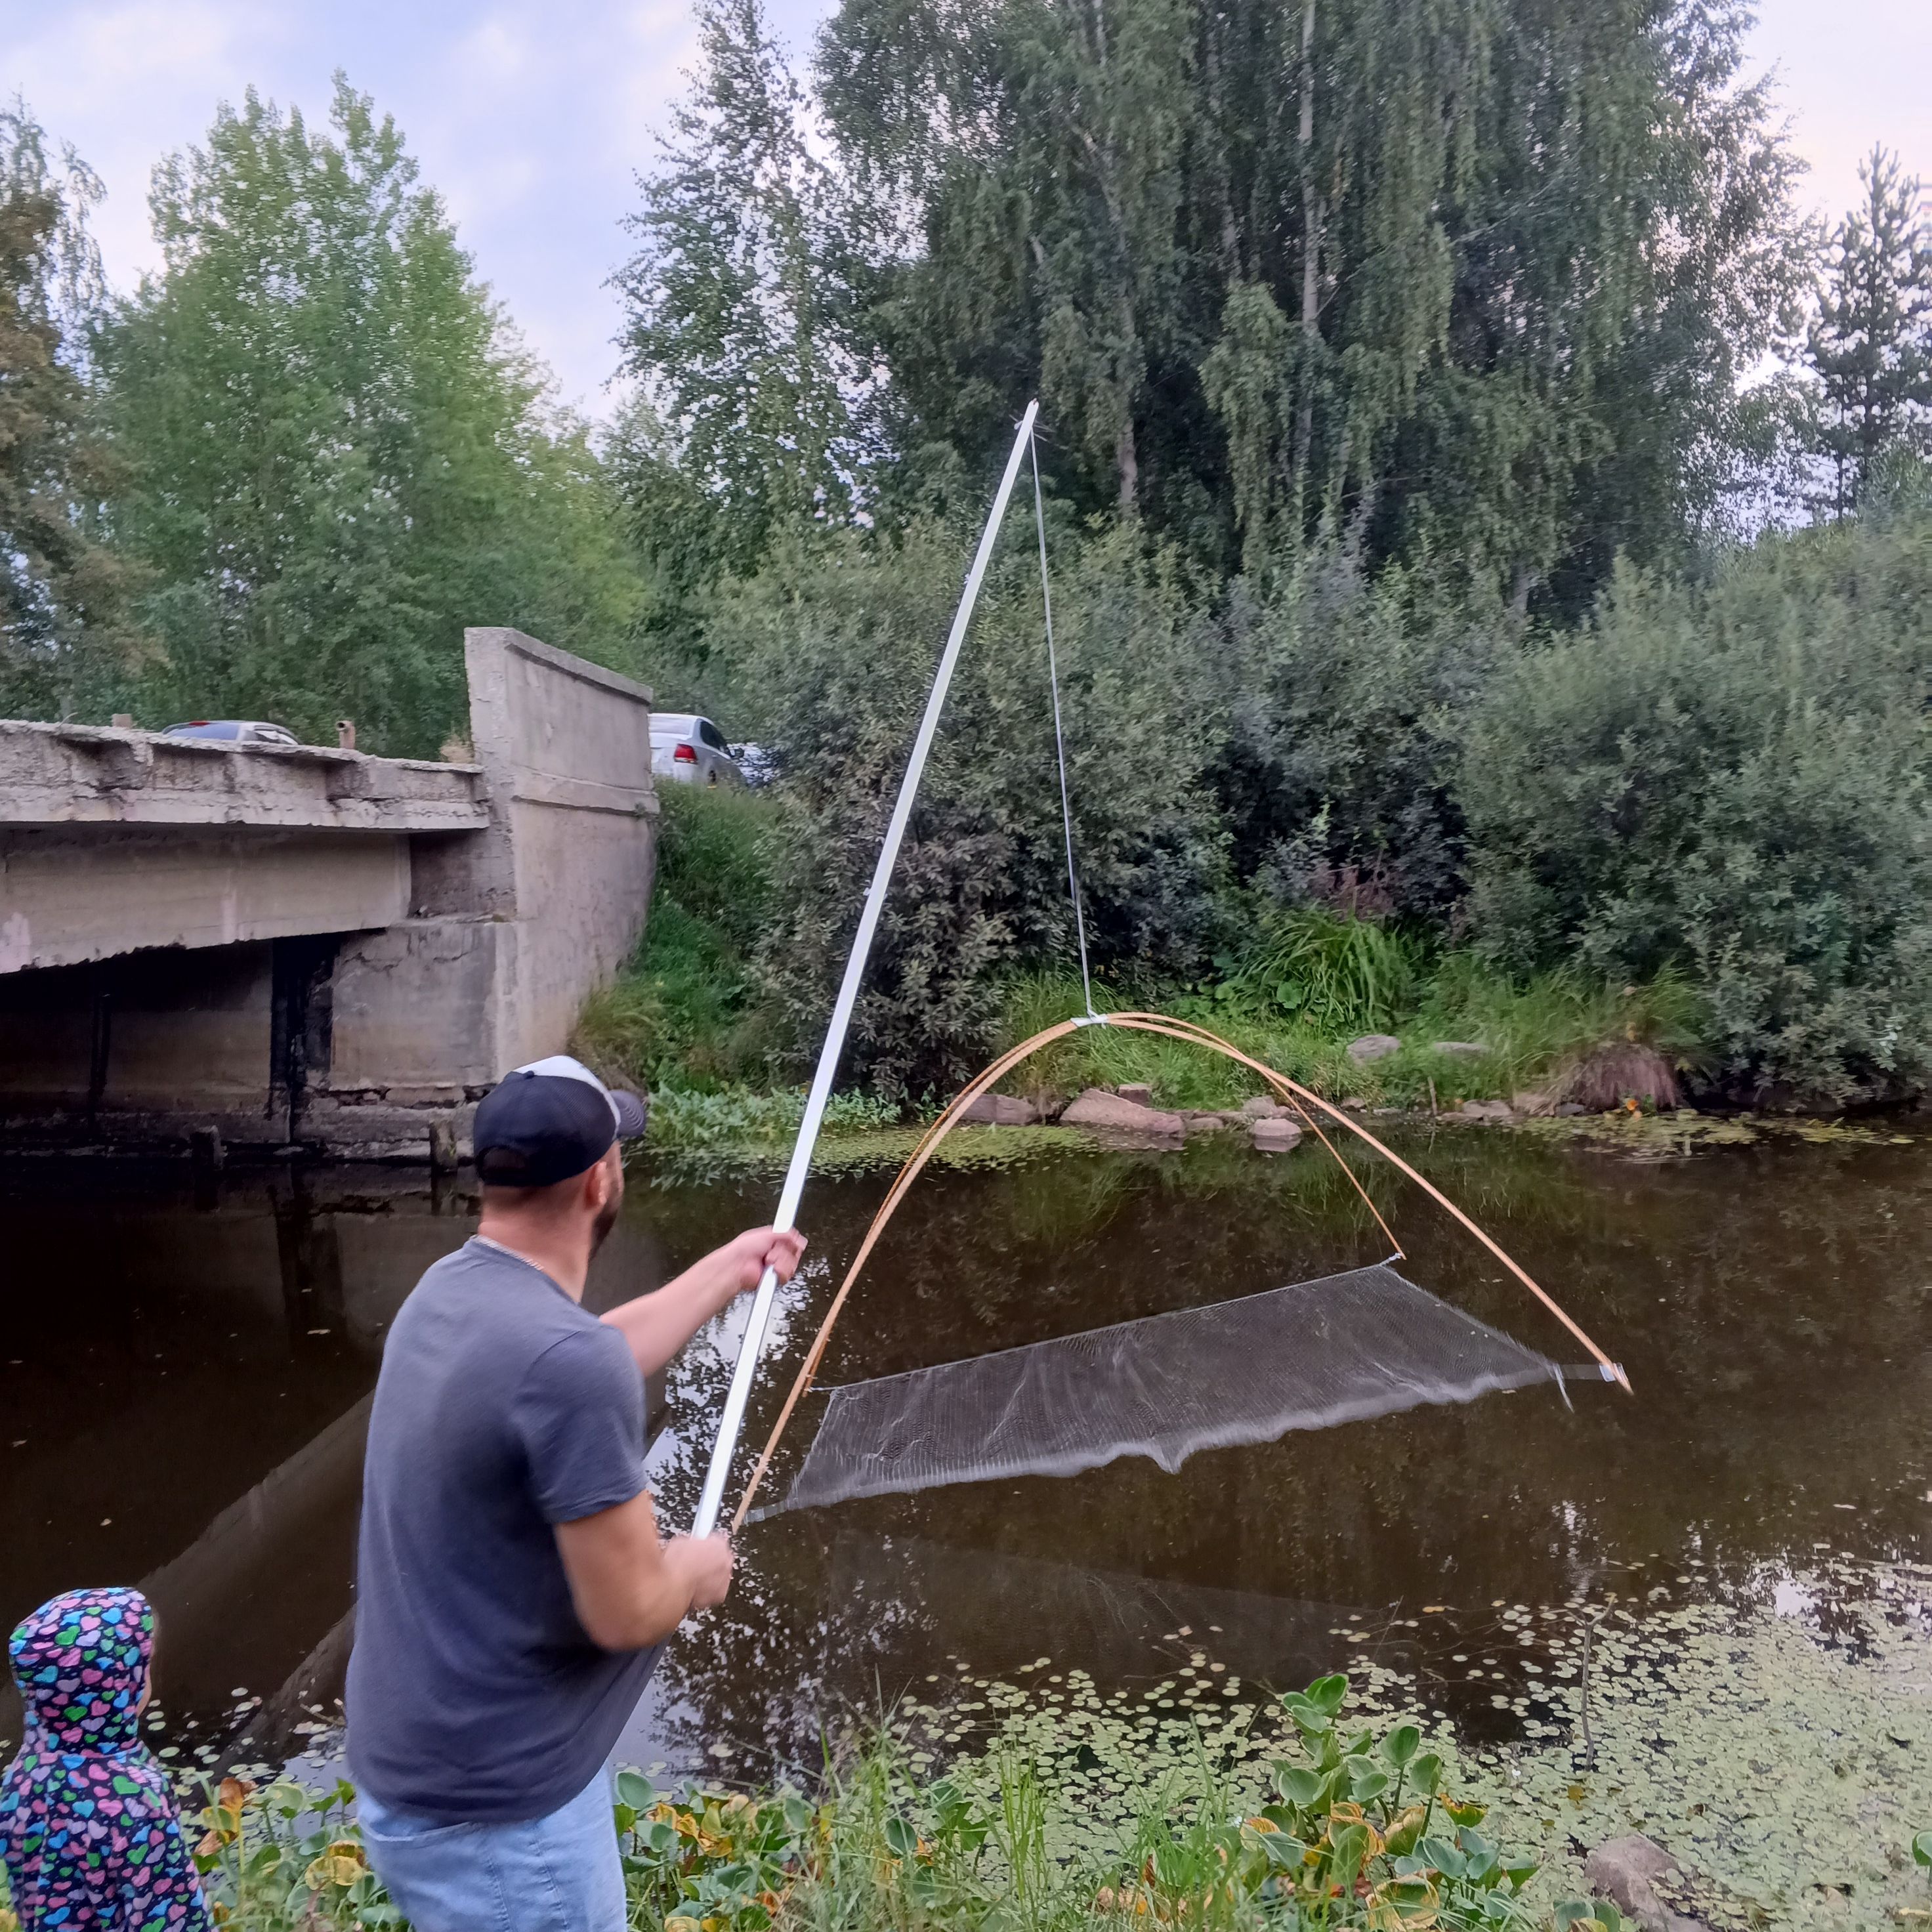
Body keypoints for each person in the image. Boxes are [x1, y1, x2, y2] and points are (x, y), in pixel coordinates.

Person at [344, 1055, 806, 1932]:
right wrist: (698, 1569)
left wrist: (726, 1272)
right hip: (503, 1818)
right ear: (600, 1181)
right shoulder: (562, 1366)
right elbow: (628, 1610)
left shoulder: (450, 1295)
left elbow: (580, 1356)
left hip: (421, 1775)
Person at [0, 1586, 211, 1930]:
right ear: (116, 1685)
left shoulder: (20, 1777)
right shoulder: (136, 1802)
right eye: (143, 1666)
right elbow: (173, 1920)